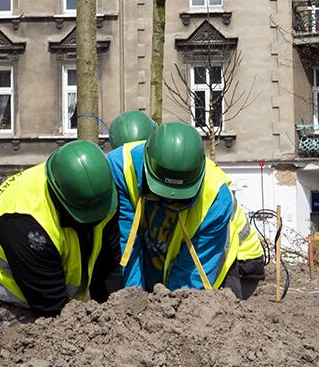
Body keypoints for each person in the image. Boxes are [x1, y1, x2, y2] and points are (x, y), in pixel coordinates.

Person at [0, 139, 121, 329]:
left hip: (44, 287)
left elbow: (108, 265)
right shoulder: (23, 222)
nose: (95, 222)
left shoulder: (101, 195)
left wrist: (113, 322)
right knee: (37, 346)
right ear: (62, 202)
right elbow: (51, 307)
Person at [107, 119, 266, 298]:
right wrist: (134, 300)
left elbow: (191, 278)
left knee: (207, 312)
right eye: (161, 194)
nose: (169, 200)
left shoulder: (215, 198)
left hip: (231, 258)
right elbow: (127, 246)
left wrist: (169, 311)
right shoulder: (124, 167)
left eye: (178, 200)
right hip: (163, 252)